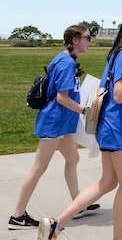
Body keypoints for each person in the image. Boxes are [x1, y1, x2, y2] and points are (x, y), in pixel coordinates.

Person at [38, 14, 122, 240]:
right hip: (121, 130)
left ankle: (56, 224)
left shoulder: (115, 55)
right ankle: (119, 238)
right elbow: (119, 95)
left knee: (108, 182)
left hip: (108, 127)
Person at [9, 25, 99, 230]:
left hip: (62, 124)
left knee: (73, 159)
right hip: (54, 123)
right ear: (75, 40)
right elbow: (62, 98)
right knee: (39, 168)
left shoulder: (63, 58)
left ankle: (78, 204)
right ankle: (18, 215)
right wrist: (84, 110)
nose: (89, 41)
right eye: (87, 37)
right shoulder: (66, 63)